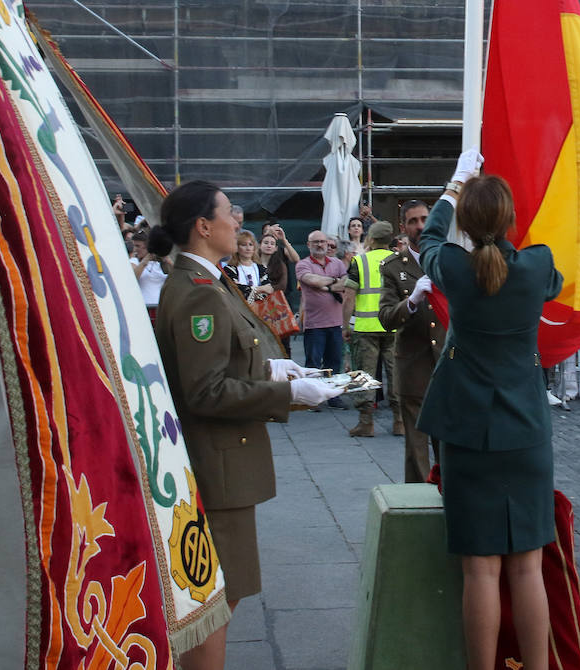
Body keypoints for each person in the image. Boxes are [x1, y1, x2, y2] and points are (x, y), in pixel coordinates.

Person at [149, 181, 340, 670]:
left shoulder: (209, 281)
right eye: (227, 214)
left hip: (222, 461)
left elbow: (233, 357)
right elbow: (206, 391)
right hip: (219, 465)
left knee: (218, 596)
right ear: (203, 226)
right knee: (215, 602)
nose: (238, 222)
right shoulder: (198, 293)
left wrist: (277, 370)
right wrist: (288, 392)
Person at [412, 152, 562, 670]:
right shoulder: (537, 263)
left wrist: (453, 188)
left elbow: (427, 241)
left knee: (480, 569)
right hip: (525, 429)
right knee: (527, 567)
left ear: (466, 225)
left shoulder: (454, 266)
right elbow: (554, 283)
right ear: (511, 221)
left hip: (468, 429)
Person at [379, 199, 448, 481]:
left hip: (447, 363)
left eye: (424, 219)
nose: (420, 226)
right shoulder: (394, 267)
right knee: (416, 446)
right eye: (413, 221)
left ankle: (450, 498)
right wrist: (411, 301)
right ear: (402, 227)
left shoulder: (448, 258)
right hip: (414, 365)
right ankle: (418, 502)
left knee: (448, 442)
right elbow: (385, 317)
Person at [341, 220, 398, 437]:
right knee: (396, 373)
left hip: (365, 328)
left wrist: (345, 325)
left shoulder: (360, 261)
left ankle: (366, 422)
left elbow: (348, 298)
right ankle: (400, 421)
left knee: (363, 374)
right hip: (393, 326)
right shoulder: (399, 260)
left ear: (371, 239)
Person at [296, 230, 349, 376]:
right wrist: (334, 280)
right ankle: (313, 398)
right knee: (313, 367)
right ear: (308, 245)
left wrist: (325, 286)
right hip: (314, 326)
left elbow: (346, 283)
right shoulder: (302, 265)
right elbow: (312, 280)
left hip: (336, 324)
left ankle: (334, 397)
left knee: (334, 365)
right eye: (316, 242)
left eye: (322, 242)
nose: (320, 245)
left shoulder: (337, 263)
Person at [130, 229, 171, 323]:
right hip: (144, 310)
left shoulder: (160, 263)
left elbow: (178, 276)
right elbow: (132, 279)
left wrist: (167, 260)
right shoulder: (134, 262)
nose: (135, 249)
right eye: (134, 246)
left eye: (138, 246)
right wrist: (146, 260)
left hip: (161, 310)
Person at [223, 230, 273, 299]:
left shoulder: (260, 268)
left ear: (254, 248)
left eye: (250, 245)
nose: (248, 248)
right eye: (244, 245)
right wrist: (259, 289)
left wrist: (251, 292)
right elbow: (236, 290)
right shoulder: (230, 269)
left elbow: (268, 289)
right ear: (237, 248)